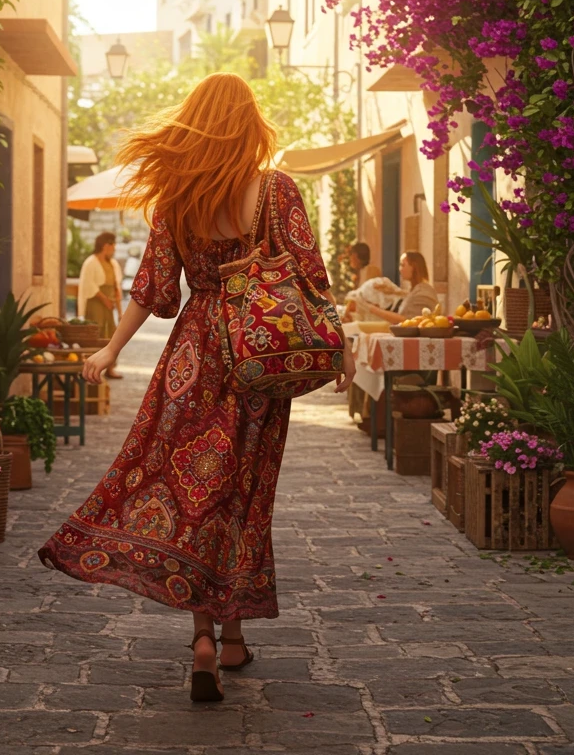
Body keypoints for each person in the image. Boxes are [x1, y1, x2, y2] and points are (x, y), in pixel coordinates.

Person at [37, 73, 356, 703]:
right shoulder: (277, 190)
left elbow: (154, 291)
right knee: (242, 492)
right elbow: (310, 275)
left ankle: (206, 639)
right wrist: (338, 344)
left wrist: (109, 347)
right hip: (258, 359)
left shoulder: (178, 200)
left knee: (191, 489)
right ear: (249, 121)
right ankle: (232, 635)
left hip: (193, 354)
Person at [77, 232, 124, 379]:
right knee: (96, 333)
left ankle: (110, 368)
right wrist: (104, 299)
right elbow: (88, 284)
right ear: (106, 246)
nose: (114, 249)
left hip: (109, 303)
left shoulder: (113, 263)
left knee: (111, 334)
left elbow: (116, 283)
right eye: (113, 246)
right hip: (96, 302)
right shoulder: (91, 262)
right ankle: (91, 369)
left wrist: (118, 304)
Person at [345, 251, 437, 324]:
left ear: (414, 267)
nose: (400, 269)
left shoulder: (423, 292)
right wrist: (393, 291)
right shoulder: (416, 289)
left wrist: (372, 309)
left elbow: (406, 320)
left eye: (403, 265)